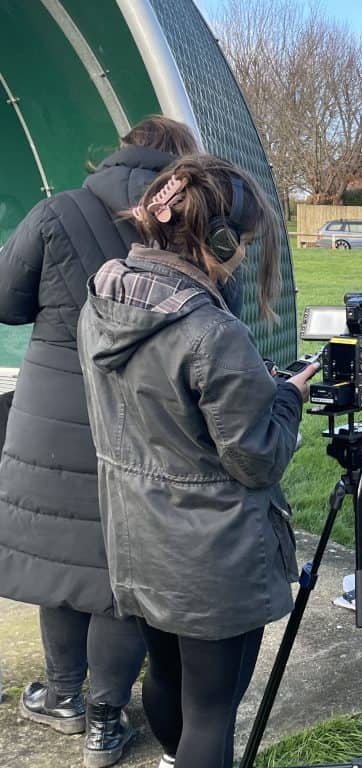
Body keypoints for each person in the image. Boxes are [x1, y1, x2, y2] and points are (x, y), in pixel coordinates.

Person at [78, 153, 317, 768]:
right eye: (241, 242)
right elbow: (257, 458)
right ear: (217, 238)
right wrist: (289, 396)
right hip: (213, 555)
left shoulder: (100, 305)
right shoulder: (213, 333)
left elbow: (162, 412)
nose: (243, 255)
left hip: (138, 541)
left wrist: (249, 387)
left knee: (164, 675)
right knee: (212, 712)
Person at [0, 115, 198, 768]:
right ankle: (107, 723)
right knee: (122, 573)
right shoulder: (186, 215)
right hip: (143, 412)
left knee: (60, 562)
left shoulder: (58, 212)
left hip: (52, 410)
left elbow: (6, 300)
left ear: (119, 151)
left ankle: (62, 699)